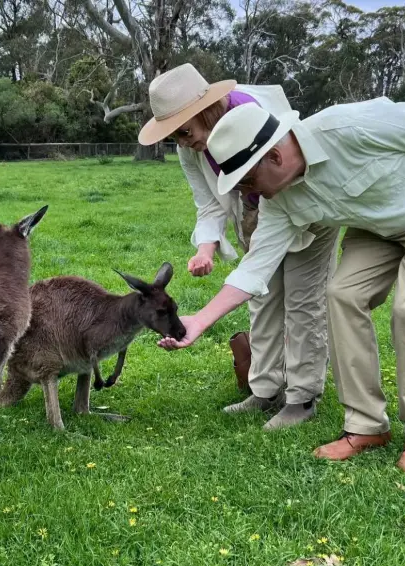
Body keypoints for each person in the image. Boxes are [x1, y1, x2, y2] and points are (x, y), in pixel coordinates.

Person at [157, 98, 405, 473]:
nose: (249, 194)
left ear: (274, 157)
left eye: (248, 182)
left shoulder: (348, 127)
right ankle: (365, 425)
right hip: (378, 224)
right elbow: (255, 268)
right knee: (342, 295)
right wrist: (200, 321)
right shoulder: (278, 201)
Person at [138, 63, 340, 430]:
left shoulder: (256, 114)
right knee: (261, 298)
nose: (182, 142)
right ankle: (265, 389)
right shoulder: (191, 148)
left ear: (205, 110)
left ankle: (302, 397)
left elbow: (291, 166)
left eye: (184, 131)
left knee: (302, 300)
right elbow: (208, 203)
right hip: (254, 212)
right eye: (174, 136)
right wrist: (206, 248)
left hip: (303, 208)